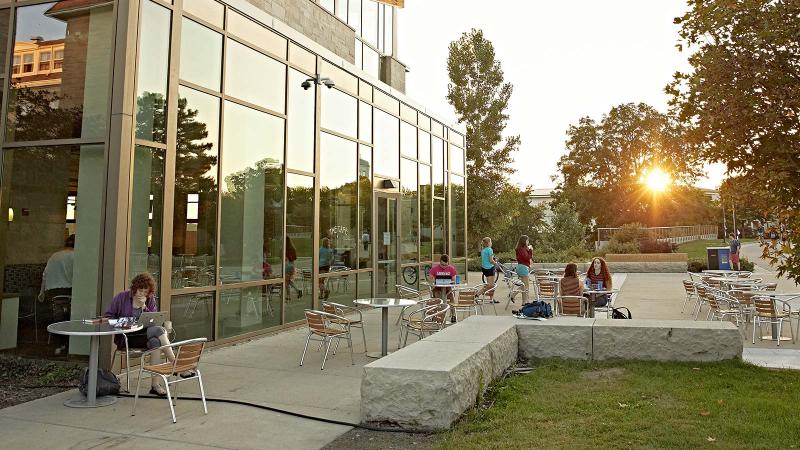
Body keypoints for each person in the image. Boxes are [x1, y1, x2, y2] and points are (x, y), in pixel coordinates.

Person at [104, 273, 185, 397]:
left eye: (145, 291)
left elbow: (153, 319)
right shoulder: (122, 297)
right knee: (159, 330)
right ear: (134, 288)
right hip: (127, 337)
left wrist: (144, 307)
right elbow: (108, 317)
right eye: (140, 290)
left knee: (155, 342)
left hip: (145, 334)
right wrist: (124, 323)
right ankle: (176, 364)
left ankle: (155, 385)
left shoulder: (150, 299)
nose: (142, 294)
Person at [39, 234, 75, 354]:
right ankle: (68, 343)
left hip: (52, 292)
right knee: (71, 317)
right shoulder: (75, 256)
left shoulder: (54, 256)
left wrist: (41, 292)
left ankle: (59, 344)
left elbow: (45, 275)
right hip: (69, 291)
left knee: (58, 318)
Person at [480, 237, 498, 303]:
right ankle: (478, 293)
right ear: (488, 243)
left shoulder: (483, 250)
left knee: (489, 284)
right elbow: (491, 260)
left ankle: (491, 299)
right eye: (491, 241)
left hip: (484, 268)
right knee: (491, 285)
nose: (491, 243)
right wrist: (495, 263)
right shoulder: (490, 250)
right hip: (490, 268)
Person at [515, 235, 533, 302]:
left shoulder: (520, 249)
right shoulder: (522, 249)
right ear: (524, 241)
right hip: (523, 267)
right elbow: (527, 258)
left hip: (520, 267)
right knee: (526, 286)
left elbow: (525, 257)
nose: (528, 242)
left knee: (523, 285)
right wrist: (530, 250)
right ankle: (525, 301)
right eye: (527, 240)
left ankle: (523, 301)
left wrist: (528, 250)